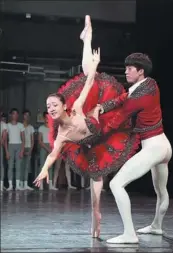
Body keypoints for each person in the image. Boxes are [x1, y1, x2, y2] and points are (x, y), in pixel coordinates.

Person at [34, 15, 140, 238]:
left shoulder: (78, 107)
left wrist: (95, 66)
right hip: (90, 147)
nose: (50, 109)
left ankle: (87, 38)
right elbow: (53, 155)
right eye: (48, 106)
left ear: (64, 106)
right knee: (95, 189)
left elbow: (90, 82)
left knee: (87, 72)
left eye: (54, 105)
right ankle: (96, 216)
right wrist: (44, 170)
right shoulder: (62, 134)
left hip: (102, 125)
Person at [97, 52, 172, 244]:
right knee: (161, 191)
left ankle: (130, 234)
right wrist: (102, 107)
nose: (126, 71)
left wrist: (95, 132)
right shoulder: (150, 84)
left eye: (130, 69)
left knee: (116, 184)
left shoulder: (139, 95)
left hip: (153, 147)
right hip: (164, 145)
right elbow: (123, 97)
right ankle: (157, 226)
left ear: (140, 71)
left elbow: (120, 117)